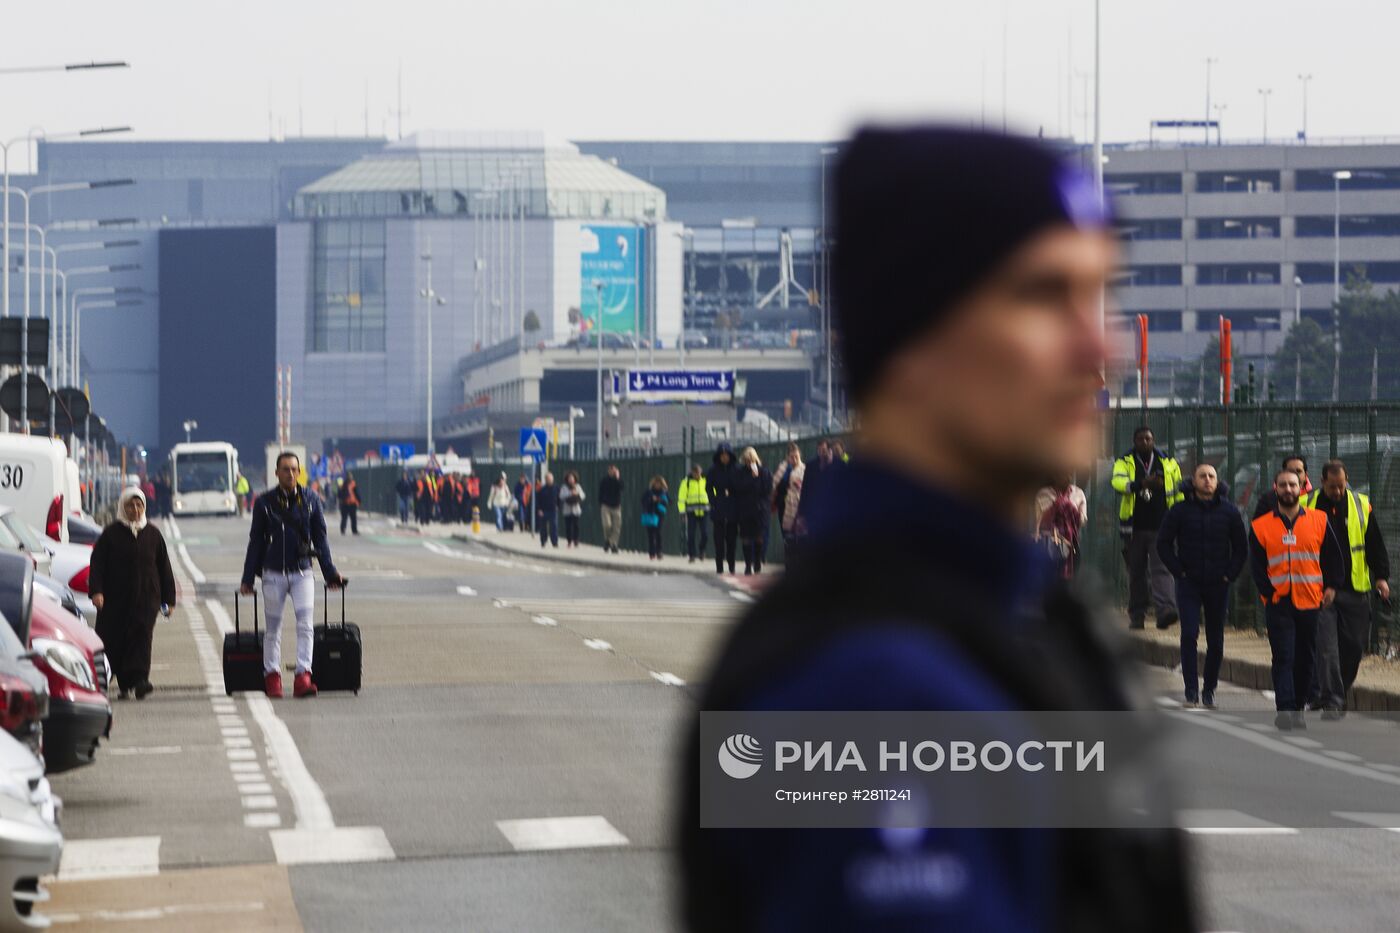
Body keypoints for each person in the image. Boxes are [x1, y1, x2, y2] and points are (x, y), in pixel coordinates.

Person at [682, 127, 1196, 932]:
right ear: (913, 340)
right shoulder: (865, 688)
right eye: (1042, 295)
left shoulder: (1021, 621)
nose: (1101, 350)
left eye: (1100, 294)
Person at [240, 451, 346, 699]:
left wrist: (330, 573)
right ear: (276, 473)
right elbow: (255, 541)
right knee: (273, 628)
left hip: (302, 572)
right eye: (285, 469)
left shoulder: (311, 499)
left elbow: (320, 539)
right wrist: (247, 579)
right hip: (273, 574)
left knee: (305, 624)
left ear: (300, 472)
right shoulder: (264, 503)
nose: (290, 473)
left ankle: (303, 675)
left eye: (294, 469)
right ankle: (272, 676)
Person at [1249, 468, 1345, 730]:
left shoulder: (1319, 520)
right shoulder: (1261, 526)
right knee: (1283, 656)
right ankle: (1286, 709)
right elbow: (1257, 566)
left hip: (1310, 600)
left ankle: (1300, 705)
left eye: (1293, 485)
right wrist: (1268, 594)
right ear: (1275, 488)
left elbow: (1333, 558)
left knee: (1306, 658)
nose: (1288, 490)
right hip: (1279, 602)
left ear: (1301, 488)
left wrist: (1332, 587)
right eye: (1283, 485)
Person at [1303, 459, 1390, 717]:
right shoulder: (1307, 504)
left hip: (1355, 588)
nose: (1338, 492)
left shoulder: (1360, 505)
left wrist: (1381, 577)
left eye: (1341, 486)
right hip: (1321, 589)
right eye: (1332, 487)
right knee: (1327, 647)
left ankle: (1332, 692)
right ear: (1322, 483)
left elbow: (1374, 543)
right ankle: (1333, 700)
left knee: (1354, 646)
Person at [1157, 463, 1248, 709]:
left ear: (1217, 482)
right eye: (1202, 476)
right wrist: (1179, 571)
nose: (1207, 480)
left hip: (1219, 583)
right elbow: (1163, 544)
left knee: (1216, 640)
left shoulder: (1230, 512)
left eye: (1212, 476)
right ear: (1193, 481)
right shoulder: (1179, 510)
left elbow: (1241, 547)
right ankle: (1191, 690)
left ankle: (1209, 690)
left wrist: (1230, 574)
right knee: (1189, 634)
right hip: (1189, 583)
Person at [89, 488, 176, 700]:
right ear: (123, 507)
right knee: (112, 640)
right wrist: (97, 591)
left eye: (139, 505)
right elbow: (97, 565)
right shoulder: (110, 534)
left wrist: (169, 600)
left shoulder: (153, 535)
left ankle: (139, 681)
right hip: (114, 602)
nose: (135, 510)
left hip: (146, 600)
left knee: (141, 639)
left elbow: (164, 568)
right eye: (130, 505)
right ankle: (109, 681)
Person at [1111, 426, 1184, 630]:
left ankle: (1165, 611)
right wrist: (1141, 483)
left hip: (1162, 525)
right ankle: (1137, 615)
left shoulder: (1168, 462)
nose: (1145, 442)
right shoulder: (1125, 461)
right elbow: (1117, 483)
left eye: (1149, 439)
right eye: (1141, 439)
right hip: (1134, 528)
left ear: (1154, 441)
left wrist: (1178, 517)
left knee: (1162, 569)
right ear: (1134, 441)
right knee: (1136, 572)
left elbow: (1178, 491)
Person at [1033, 472, 1088, 580]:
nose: (1067, 476)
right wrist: (1062, 505)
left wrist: (1067, 507)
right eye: (1061, 472)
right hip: (1048, 545)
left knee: (1069, 582)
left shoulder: (1078, 493)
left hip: (1071, 546)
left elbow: (1082, 520)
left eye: (1070, 472)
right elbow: (1042, 519)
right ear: (1054, 475)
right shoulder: (1044, 494)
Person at [733, 446, 771, 575]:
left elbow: (766, 489)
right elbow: (738, 488)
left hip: (760, 509)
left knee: (759, 536)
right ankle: (748, 564)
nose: (749, 463)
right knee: (746, 537)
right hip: (745, 509)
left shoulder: (764, 471)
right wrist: (752, 480)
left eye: (752, 460)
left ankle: (758, 561)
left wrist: (756, 477)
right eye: (747, 460)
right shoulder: (740, 472)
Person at [705, 443, 738, 574]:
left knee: (731, 539)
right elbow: (708, 487)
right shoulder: (713, 470)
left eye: (726, 455)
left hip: (732, 507)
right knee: (718, 540)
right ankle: (719, 566)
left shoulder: (736, 469)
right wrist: (713, 501)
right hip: (718, 507)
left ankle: (731, 565)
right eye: (722, 455)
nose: (724, 458)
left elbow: (740, 485)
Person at [770, 442, 806, 556]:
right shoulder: (783, 468)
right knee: (786, 534)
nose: (794, 459)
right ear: (787, 457)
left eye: (796, 456)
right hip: (783, 504)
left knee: (798, 534)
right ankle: (789, 559)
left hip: (798, 504)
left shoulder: (804, 469)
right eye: (792, 456)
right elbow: (774, 483)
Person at [1253, 454, 1311, 520]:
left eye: (1298, 471)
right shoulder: (1268, 500)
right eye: (1290, 471)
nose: (1294, 475)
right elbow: (1257, 527)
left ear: (1306, 475)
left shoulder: (1316, 496)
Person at [677, 463, 710, 563]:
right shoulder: (686, 482)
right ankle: (692, 555)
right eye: (696, 473)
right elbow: (681, 498)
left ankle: (702, 550)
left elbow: (713, 492)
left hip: (704, 511)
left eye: (699, 473)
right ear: (692, 473)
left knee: (705, 534)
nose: (697, 475)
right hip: (691, 512)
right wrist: (682, 512)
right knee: (691, 534)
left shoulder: (706, 481)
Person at [640, 475, 668, 560]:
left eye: (659, 483)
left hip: (659, 514)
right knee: (651, 534)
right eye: (656, 483)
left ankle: (659, 551)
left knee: (658, 532)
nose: (657, 485)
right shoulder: (648, 492)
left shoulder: (664, 492)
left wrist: (660, 500)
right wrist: (652, 499)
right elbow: (643, 501)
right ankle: (652, 552)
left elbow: (668, 502)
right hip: (650, 514)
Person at [598, 465, 624, 553]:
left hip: (616, 506)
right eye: (611, 470)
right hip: (606, 505)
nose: (612, 472)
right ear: (608, 471)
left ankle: (613, 544)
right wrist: (601, 503)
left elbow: (621, 488)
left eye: (614, 470)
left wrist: (617, 478)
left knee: (617, 526)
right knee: (607, 525)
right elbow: (600, 492)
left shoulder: (619, 480)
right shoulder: (604, 480)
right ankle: (607, 540)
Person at [559, 471, 586, 547]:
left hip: (576, 509)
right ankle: (569, 541)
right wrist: (570, 493)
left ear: (575, 479)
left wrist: (577, 494)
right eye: (569, 478)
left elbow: (583, 495)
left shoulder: (578, 486)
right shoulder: (564, 487)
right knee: (568, 526)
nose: (571, 480)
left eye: (572, 478)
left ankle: (576, 540)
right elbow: (561, 496)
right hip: (567, 509)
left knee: (576, 526)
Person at [535, 471, 559, 548]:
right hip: (543, 511)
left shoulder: (557, 488)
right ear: (545, 480)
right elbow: (538, 500)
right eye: (548, 479)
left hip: (553, 511)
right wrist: (539, 509)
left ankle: (554, 542)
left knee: (553, 527)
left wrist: (558, 506)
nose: (550, 480)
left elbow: (560, 498)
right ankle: (543, 541)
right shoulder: (542, 490)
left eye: (551, 478)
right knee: (543, 528)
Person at [337, 471, 361, 535]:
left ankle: (354, 530)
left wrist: (359, 501)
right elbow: (340, 494)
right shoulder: (344, 484)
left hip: (352, 504)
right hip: (345, 504)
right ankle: (343, 529)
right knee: (344, 518)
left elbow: (356, 493)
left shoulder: (353, 483)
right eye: (349, 476)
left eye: (351, 476)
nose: (350, 477)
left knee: (354, 518)